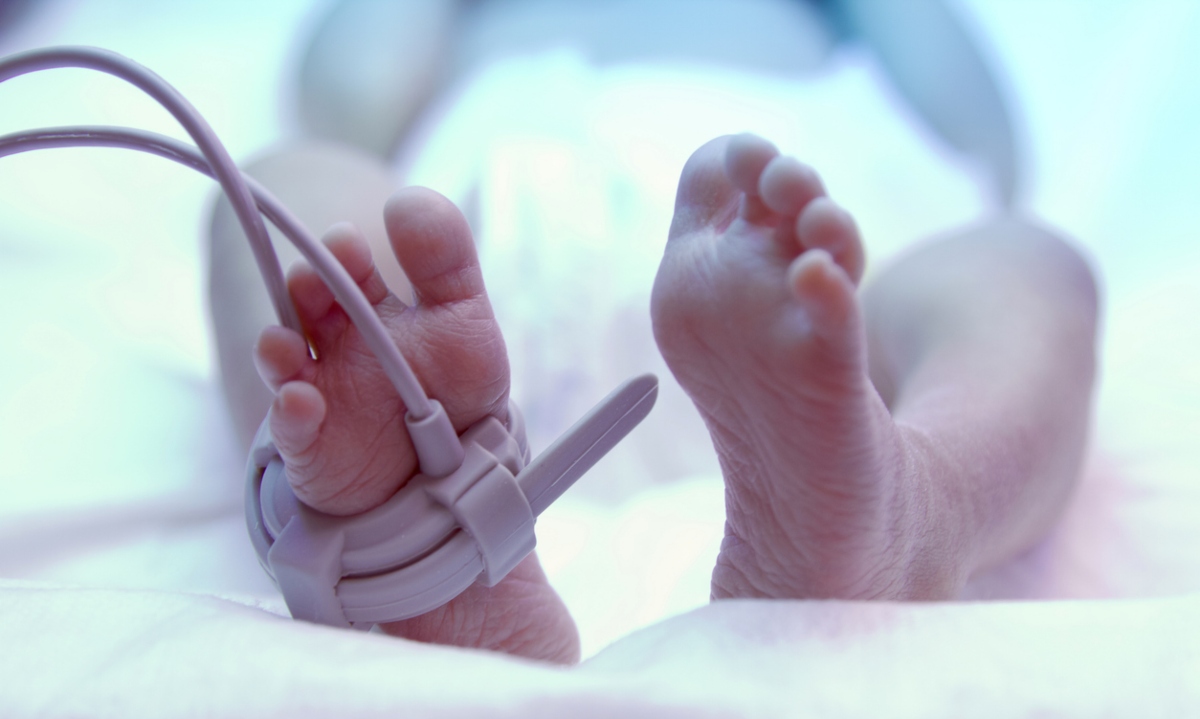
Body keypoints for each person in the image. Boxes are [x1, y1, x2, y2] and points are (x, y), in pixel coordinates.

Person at [247, 132, 1097, 664]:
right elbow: (347, 87)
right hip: (441, 324)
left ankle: (912, 504)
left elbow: (993, 134)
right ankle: (384, 525)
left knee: (1021, 258)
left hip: (816, 320)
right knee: (287, 180)